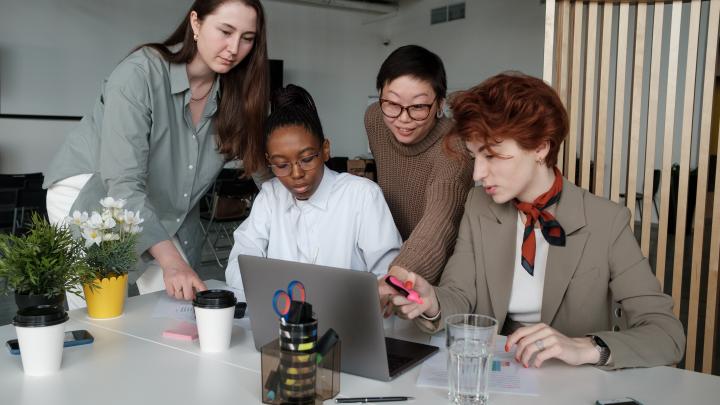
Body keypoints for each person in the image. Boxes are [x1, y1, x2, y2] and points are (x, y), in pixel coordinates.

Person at [382, 72, 685, 370]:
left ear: (541, 147)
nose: (477, 174)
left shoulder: (606, 221)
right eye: (475, 157)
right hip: (495, 376)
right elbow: (460, 295)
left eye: (493, 156)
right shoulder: (478, 206)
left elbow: (666, 334)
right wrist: (431, 300)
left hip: (570, 386)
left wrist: (587, 347)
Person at [43, 0, 270, 308]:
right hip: (91, 193)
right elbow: (122, 184)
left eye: (247, 38)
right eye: (226, 31)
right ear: (196, 23)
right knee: (103, 312)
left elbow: (265, 175)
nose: (234, 48)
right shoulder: (140, 74)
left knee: (177, 308)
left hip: (156, 203)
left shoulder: (236, 96)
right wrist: (172, 262)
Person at [225, 84, 402, 290]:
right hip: (282, 314)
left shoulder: (362, 195)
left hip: (346, 317)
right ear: (269, 161)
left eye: (307, 159)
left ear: (325, 150)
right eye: (281, 165)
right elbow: (238, 264)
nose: (297, 174)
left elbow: (388, 274)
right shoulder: (270, 196)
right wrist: (274, 288)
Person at [365, 45, 473, 287]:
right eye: (392, 103)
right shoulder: (374, 119)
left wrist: (399, 277)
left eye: (418, 107)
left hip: (438, 276)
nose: (403, 118)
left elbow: (439, 223)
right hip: (386, 258)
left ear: (440, 104)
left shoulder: (454, 149)